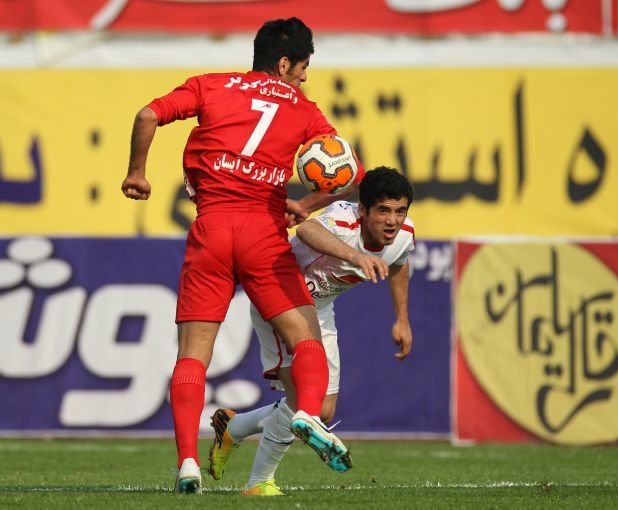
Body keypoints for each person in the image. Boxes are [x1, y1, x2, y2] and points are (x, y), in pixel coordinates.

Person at [120, 17, 364, 494]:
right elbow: (349, 170)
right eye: (303, 67)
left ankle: (187, 463)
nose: (304, 78)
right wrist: (306, 204)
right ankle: (308, 414)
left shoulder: (209, 85)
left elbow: (147, 115)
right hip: (262, 235)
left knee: (193, 356)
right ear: (284, 63)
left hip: (211, 229)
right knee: (306, 341)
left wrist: (137, 173)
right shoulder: (304, 109)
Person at [207, 167, 415, 496]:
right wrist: (354, 256)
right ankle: (259, 482)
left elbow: (399, 263)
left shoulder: (404, 235)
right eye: (383, 211)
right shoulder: (343, 220)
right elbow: (306, 230)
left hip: (320, 310)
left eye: (400, 211)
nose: (392, 221)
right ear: (363, 209)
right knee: (301, 398)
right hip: (280, 300)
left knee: (322, 410)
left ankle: (234, 427)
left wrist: (401, 318)